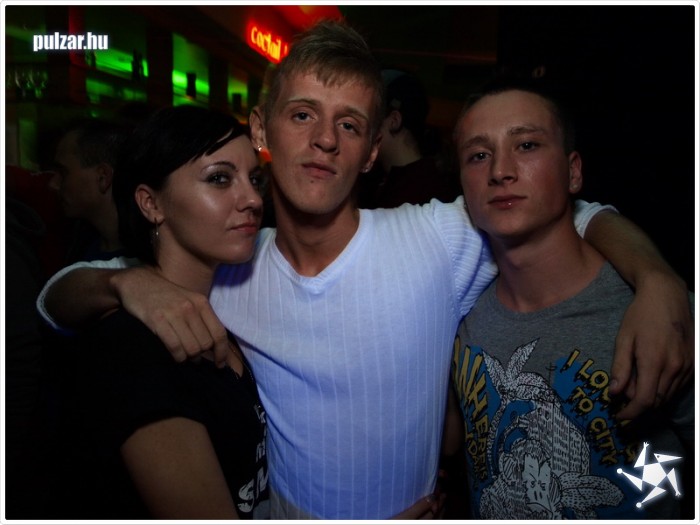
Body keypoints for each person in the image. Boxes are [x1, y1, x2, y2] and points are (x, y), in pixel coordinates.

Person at [36, 20, 693, 520]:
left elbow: (565, 211)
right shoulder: (232, 264)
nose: (324, 139)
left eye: (349, 125)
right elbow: (53, 302)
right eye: (302, 115)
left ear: (373, 150)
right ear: (262, 128)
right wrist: (123, 282)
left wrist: (660, 280)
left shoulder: (435, 236)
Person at [447, 78, 694, 519]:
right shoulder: (467, 321)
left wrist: (659, 499)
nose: (500, 170)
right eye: (479, 155)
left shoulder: (650, 313)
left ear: (573, 171)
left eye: (526, 145)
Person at [50, 106, 269, 519]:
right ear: (151, 203)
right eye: (220, 179)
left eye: (254, 179)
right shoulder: (133, 350)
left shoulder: (222, 300)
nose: (253, 199)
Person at [356, 69, 461, 208]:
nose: (362, 126)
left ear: (394, 121)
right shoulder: (392, 180)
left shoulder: (419, 192)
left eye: (371, 116)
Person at [48, 117, 129, 263]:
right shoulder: (78, 241)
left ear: (103, 177)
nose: (53, 184)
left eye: (63, 173)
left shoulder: (144, 263)